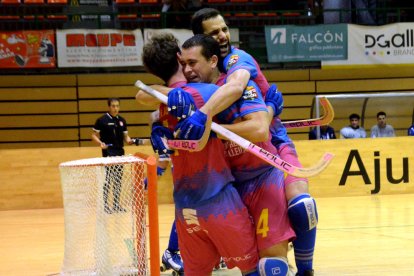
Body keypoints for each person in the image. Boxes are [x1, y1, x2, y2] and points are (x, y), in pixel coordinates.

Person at [171, 8, 317, 276]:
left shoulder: (238, 60)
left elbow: (238, 92)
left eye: (224, 28)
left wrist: (206, 122)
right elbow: (154, 92)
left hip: (271, 144)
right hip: (230, 174)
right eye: (214, 33)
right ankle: (174, 250)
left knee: (302, 204)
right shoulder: (195, 74)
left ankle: (305, 269)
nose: (223, 35)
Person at [137, 33, 260, 276]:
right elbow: (251, 115)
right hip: (219, 203)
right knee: (252, 269)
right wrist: (270, 108)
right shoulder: (208, 91)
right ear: (179, 58)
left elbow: (142, 94)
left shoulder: (160, 102)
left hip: (185, 211)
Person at [91, 98, 134, 214]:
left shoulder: (122, 121)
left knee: (118, 180)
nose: (115, 108)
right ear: (109, 107)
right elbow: (93, 135)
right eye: (113, 106)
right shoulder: (102, 120)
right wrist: (100, 143)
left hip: (120, 153)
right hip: (108, 153)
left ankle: (116, 205)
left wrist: (130, 141)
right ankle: (105, 206)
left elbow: (126, 137)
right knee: (108, 179)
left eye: (117, 106)